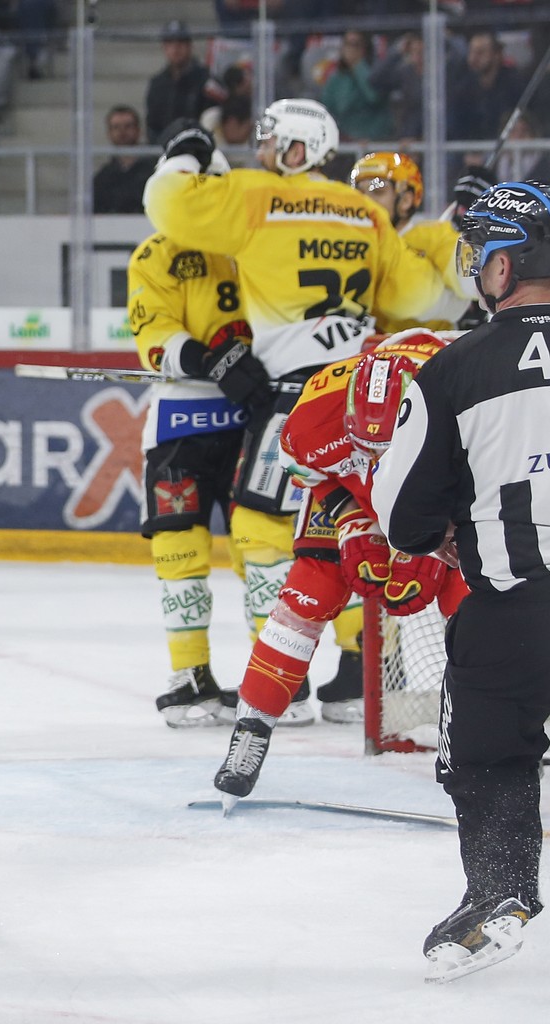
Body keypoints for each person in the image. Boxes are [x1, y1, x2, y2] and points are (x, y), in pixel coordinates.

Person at [144, 99, 445, 726]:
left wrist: (186, 157)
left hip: (295, 395)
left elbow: (167, 206)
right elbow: (417, 295)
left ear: (298, 149)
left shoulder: (255, 198)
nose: (261, 151)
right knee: (361, 520)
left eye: (272, 140)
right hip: (363, 386)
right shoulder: (366, 213)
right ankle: (365, 676)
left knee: (259, 527)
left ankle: (288, 680)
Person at [371, 180, 550, 982]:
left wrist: (443, 529)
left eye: (482, 258)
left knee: (485, 756)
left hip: (517, 608)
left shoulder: (456, 367)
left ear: (505, 269)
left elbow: (401, 516)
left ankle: (503, 894)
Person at [213, 331, 467, 803]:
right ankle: (252, 728)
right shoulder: (310, 420)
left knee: (474, 601)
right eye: (363, 448)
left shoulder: (465, 403)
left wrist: (426, 546)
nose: (372, 461)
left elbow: (492, 487)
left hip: (440, 498)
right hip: (358, 495)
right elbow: (319, 478)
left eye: (384, 450)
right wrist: (352, 519)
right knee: (309, 594)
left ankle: (489, 734)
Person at [126, 169, 261, 726]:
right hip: (194, 419)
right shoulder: (158, 252)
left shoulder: (249, 240)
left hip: (232, 419)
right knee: (183, 552)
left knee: (264, 548)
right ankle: (193, 674)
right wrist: (215, 360)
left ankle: (276, 679)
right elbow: (153, 332)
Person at [348, 151, 477, 332]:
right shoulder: (347, 244)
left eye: (378, 192)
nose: (366, 203)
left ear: (406, 200)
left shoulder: (436, 236)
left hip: (430, 354)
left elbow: (476, 282)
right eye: (359, 194)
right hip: (365, 355)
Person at [144, 20, 224, 145]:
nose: (176, 48)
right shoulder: (157, 83)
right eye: (170, 43)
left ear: (190, 45)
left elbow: (215, 119)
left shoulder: (206, 79)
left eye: (181, 42)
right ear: (164, 47)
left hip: (198, 148)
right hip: (164, 149)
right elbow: (152, 125)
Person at [93, 104, 152, 214]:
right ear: (109, 133)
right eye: (116, 127)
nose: (122, 132)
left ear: (138, 130)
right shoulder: (102, 178)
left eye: (128, 126)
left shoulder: (153, 173)